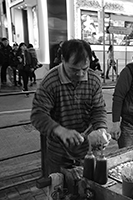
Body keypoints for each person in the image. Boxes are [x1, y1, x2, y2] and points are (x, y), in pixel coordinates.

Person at [31, 39, 110, 174]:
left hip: (89, 149)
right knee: (60, 190)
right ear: (63, 59)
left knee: (91, 189)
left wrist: (101, 128)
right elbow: (38, 115)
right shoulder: (50, 82)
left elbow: (98, 108)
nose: (80, 74)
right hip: (59, 152)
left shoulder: (94, 80)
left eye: (84, 69)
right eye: (74, 69)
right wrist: (60, 131)